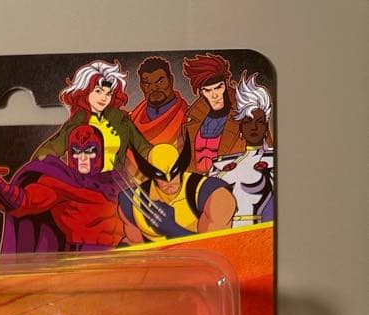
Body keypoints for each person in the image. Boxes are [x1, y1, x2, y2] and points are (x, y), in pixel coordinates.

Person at [0, 126, 124, 253]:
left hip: (125, 258)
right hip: (86, 263)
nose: (83, 158)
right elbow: (22, 201)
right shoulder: (59, 183)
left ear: (100, 151)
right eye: (76, 151)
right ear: (69, 153)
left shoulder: (115, 180)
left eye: (89, 151)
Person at [34, 59, 152, 172]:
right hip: (83, 181)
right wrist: (43, 167)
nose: (104, 98)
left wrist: (159, 157)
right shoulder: (77, 121)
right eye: (98, 91)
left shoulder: (121, 120)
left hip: (115, 182)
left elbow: (144, 149)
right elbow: (51, 149)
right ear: (86, 91)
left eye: (108, 93)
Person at [118, 140, 236, 242]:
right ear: (151, 174)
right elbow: (132, 245)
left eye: (173, 172)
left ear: (181, 167)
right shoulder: (132, 202)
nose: (169, 181)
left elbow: (216, 245)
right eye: (160, 175)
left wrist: (172, 229)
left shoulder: (213, 195)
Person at [210, 72, 275, 226]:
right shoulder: (221, 164)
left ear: (266, 127)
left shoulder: (274, 161)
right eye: (248, 121)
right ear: (240, 127)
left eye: (260, 122)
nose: (254, 127)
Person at [182, 52, 244, 173]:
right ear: (201, 93)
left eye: (218, 87)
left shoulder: (244, 114)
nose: (214, 95)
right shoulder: (193, 119)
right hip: (198, 182)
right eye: (207, 90)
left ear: (226, 84)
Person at [128, 56, 189, 149]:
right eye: (147, 83)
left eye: (160, 81)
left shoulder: (189, 117)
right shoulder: (131, 119)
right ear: (141, 86)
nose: (154, 88)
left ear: (171, 80)